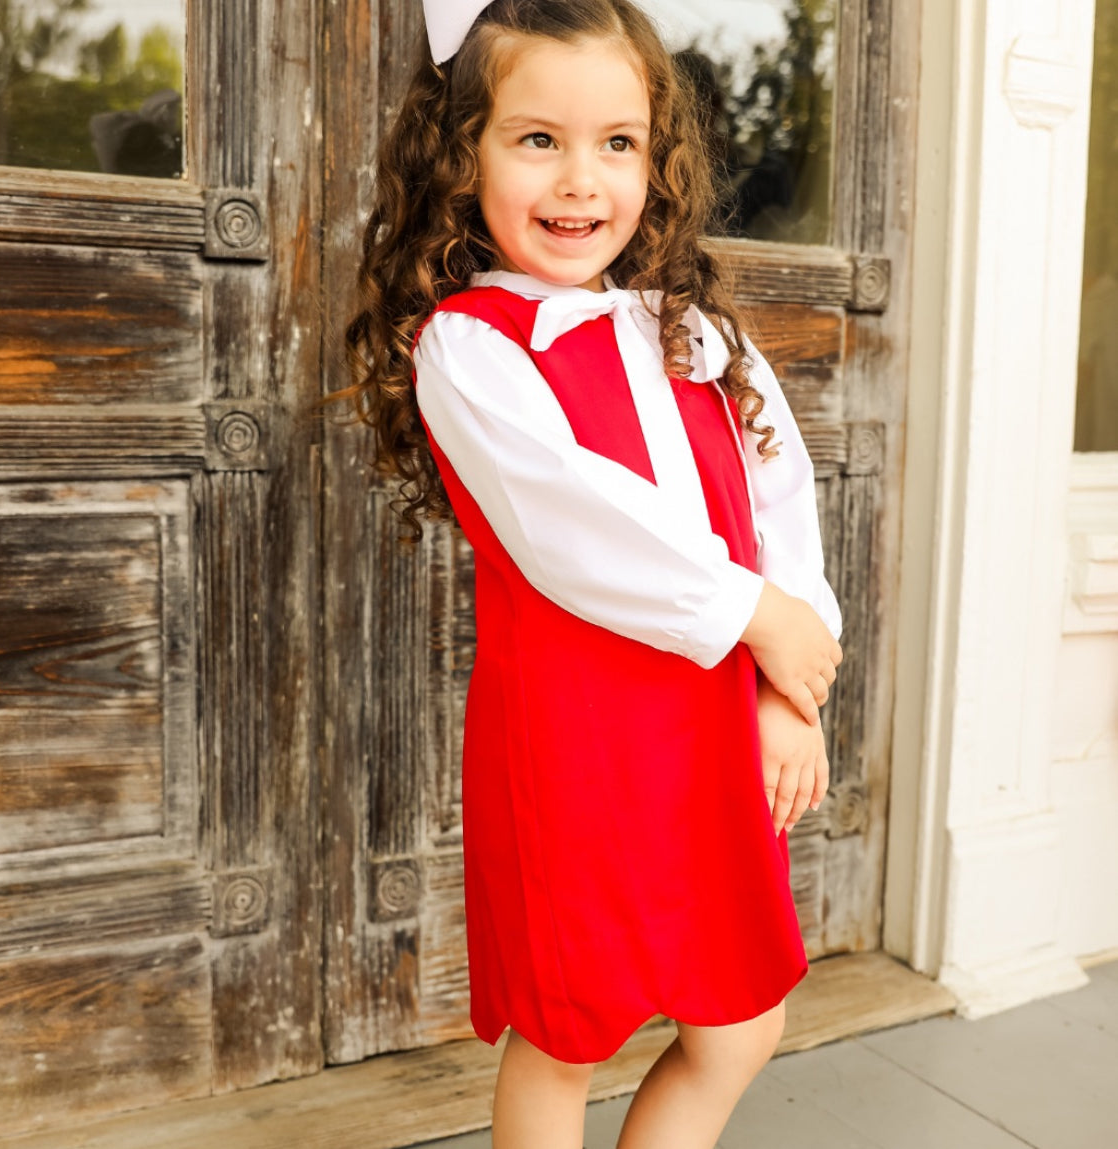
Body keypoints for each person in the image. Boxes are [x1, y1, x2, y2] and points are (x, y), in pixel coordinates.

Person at [342, 2, 843, 1146]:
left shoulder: (694, 328)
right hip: (580, 741)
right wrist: (753, 615)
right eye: (537, 140)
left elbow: (782, 503)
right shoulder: (473, 347)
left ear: (655, 157)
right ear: (462, 154)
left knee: (741, 1019)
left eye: (616, 142)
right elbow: (576, 528)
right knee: (569, 1030)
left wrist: (787, 684)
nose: (581, 182)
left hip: (721, 721)